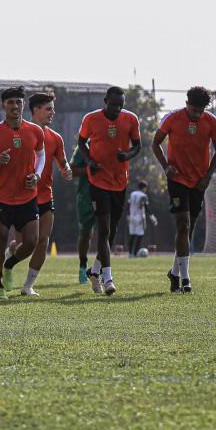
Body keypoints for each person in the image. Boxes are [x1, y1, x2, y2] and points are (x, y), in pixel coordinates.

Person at [0, 86, 46, 300]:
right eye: (10, 102)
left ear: (23, 105)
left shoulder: (35, 131)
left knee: (32, 242)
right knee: (0, 239)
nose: (15, 106)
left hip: (27, 197)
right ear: (3, 105)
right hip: (2, 198)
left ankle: (9, 264)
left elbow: (41, 155)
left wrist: (37, 175)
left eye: (18, 102)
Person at [153, 85, 216, 293]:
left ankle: (174, 273)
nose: (197, 115)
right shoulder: (172, 118)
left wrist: (208, 176)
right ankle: (185, 279)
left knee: (189, 228)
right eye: (194, 110)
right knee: (183, 225)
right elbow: (155, 144)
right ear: (187, 105)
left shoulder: (212, 121)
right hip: (177, 179)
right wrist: (166, 167)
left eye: (201, 111)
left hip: (199, 182)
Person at [77, 86, 141, 296]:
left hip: (120, 181)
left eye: (120, 105)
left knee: (112, 231)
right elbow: (81, 142)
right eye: (113, 105)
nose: (117, 109)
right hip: (98, 181)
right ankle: (108, 278)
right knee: (103, 230)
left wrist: (127, 155)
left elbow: (137, 145)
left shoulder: (131, 119)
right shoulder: (91, 119)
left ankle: (94, 271)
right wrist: (89, 161)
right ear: (105, 101)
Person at [20, 92, 73, 296]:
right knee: (24, 243)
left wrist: (66, 170)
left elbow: (63, 162)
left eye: (53, 109)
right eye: (48, 109)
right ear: (36, 110)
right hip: (21, 197)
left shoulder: (55, 138)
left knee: (43, 240)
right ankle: (10, 257)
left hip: (45, 195)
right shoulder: (20, 133)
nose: (53, 112)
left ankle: (28, 286)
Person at [71, 145, 96, 284]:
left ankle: (101, 269)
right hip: (86, 197)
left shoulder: (111, 141)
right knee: (86, 234)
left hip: (107, 193)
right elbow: (72, 170)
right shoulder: (84, 146)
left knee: (106, 231)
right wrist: (88, 169)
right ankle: (82, 266)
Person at [126, 181, 157, 257]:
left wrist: (128, 215)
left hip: (131, 217)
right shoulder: (143, 195)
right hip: (139, 218)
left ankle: (130, 254)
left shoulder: (132, 194)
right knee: (140, 235)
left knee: (132, 235)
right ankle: (135, 253)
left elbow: (128, 205)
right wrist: (152, 216)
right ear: (144, 188)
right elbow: (146, 207)